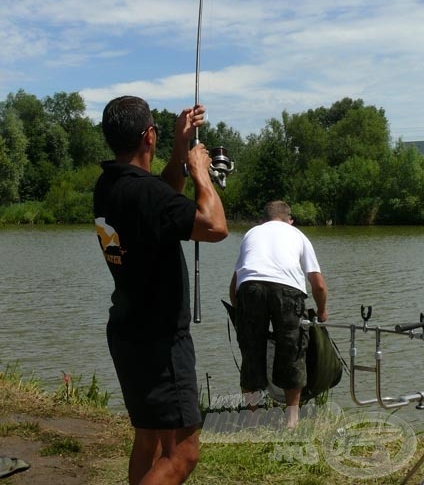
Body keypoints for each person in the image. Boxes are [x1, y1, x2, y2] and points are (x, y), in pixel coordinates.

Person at [94, 96, 228, 485]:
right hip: (160, 340)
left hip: (127, 329)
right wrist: (200, 171)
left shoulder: (110, 185)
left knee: (149, 439)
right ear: (148, 136)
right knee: (183, 453)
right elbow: (215, 226)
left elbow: (163, 194)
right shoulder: (146, 195)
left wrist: (180, 146)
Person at [229, 200, 327, 427]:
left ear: (262, 220)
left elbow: (234, 285)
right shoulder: (298, 235)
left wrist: (239, 312)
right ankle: (291, 418)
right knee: (292, 351)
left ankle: (253, 416)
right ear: (290, 220)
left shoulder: (252, 233)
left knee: (251, 352)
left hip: (250, 288)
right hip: (288, 290)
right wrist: (322, 311)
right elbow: (318, 285)